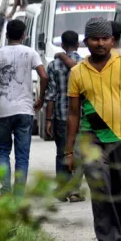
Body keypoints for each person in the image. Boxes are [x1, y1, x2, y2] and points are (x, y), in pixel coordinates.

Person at [66, 18, 121, 241]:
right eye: (95, 39)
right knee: (100, 189)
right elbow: (72, 113)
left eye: (104, 39)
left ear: (112, 40)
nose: (100, 43)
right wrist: (68, 151)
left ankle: (118, 238)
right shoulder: (77, 72)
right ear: (86, 42)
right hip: (92, 139)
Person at [0, 19, 48, 195]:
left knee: (3, 151)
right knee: (22, 155)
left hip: (2, 110)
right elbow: (44, 76)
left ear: (7, 35)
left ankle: (5, 190)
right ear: (24, 35)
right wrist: (40, 98)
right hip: (25, 110)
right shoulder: (31, 53)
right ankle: (18, 196)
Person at [46, 30, 84, 202]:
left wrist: (48, 119)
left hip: (61, 115)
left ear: (62, 44)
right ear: (78, 44)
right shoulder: (85, 64)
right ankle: (75, 190)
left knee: (62, 152)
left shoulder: (53, 65)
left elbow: (51, 95)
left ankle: (62, 189)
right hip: (82, 116)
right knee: (79, 152)